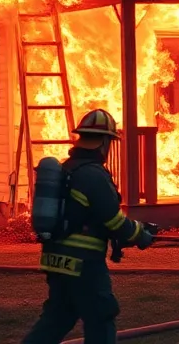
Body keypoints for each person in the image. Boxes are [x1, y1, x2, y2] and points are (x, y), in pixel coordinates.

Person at [22, 109, 157, 344]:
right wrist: (141, 235)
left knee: (57, 318)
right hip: (83, 263)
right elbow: (114, 222)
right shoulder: (93, 175)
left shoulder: (67, 169)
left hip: (56, 258)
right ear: (104, 142)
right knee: (100, 316)